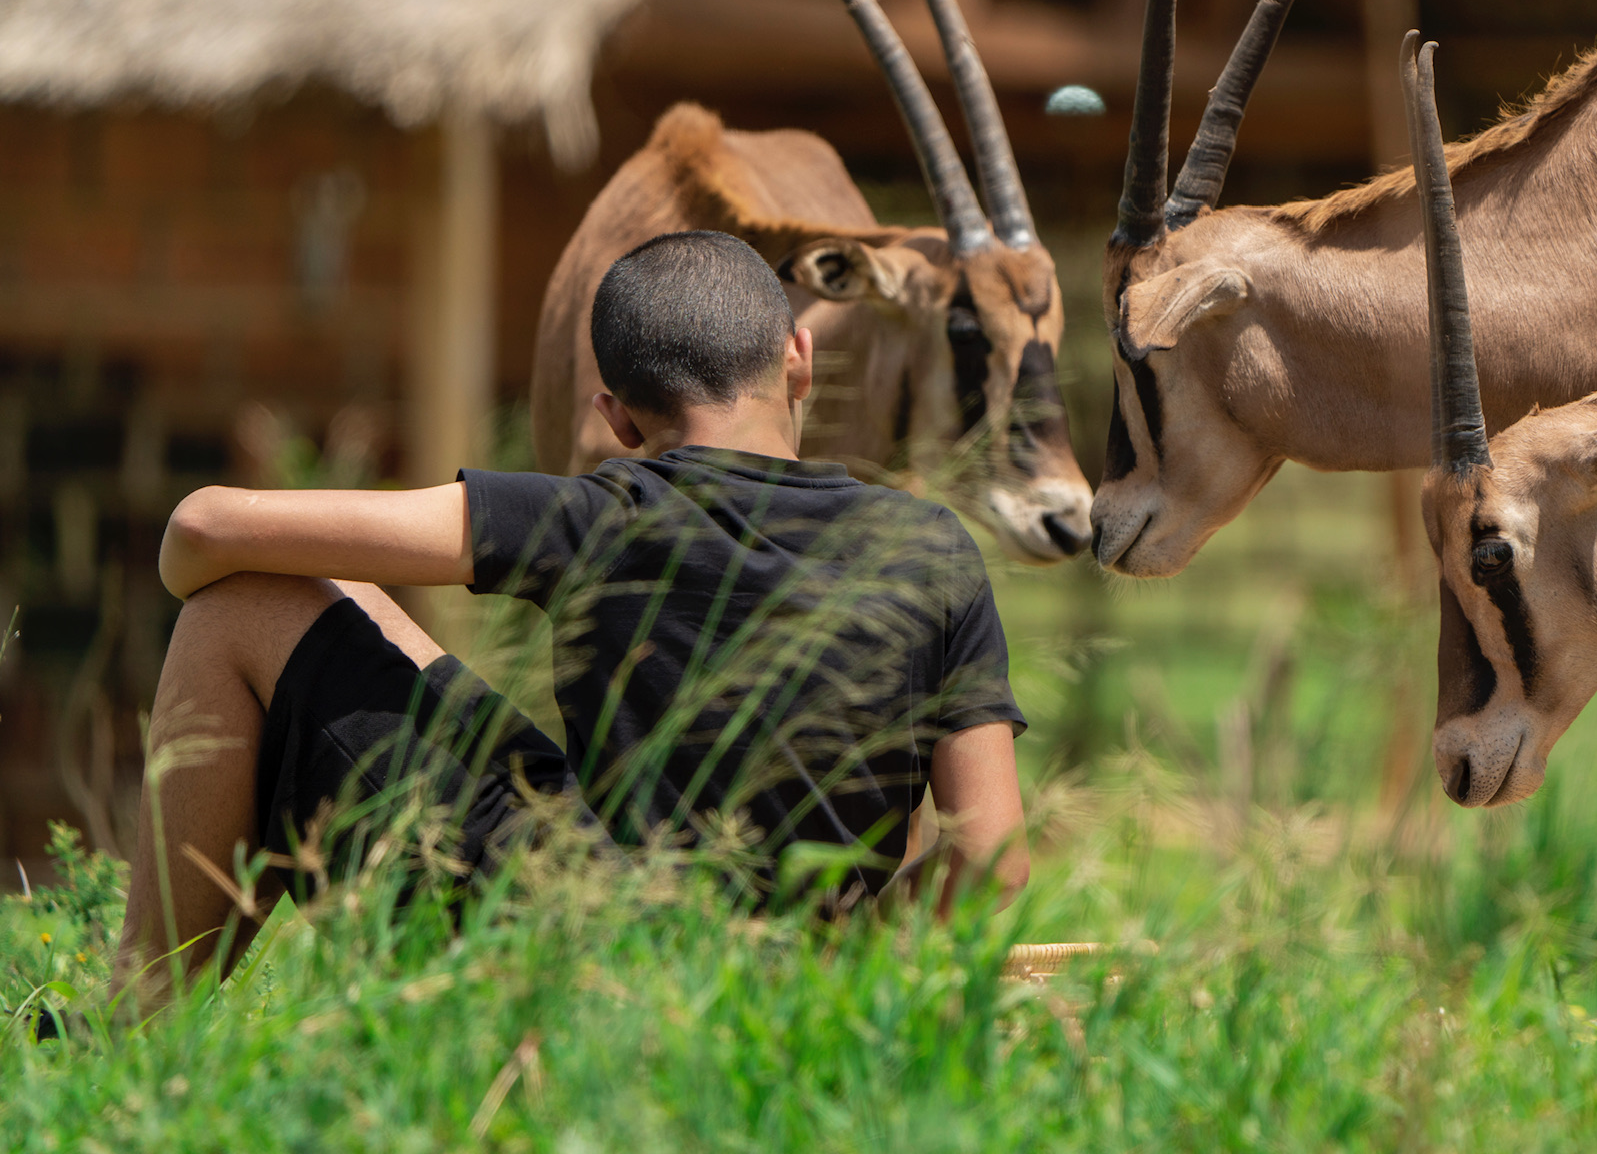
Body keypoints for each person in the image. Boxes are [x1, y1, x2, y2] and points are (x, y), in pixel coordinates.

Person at [112, 230, 1028, 1007]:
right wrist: (854, 963)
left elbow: (204, 528)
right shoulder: (930, 546)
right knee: (361, 614)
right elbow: (991, 859)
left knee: (248, 602)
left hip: (576, 948)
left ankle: (138, 1021)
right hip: (790, 997)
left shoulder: (597, 514)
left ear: (616, 419)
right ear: (799, 358)